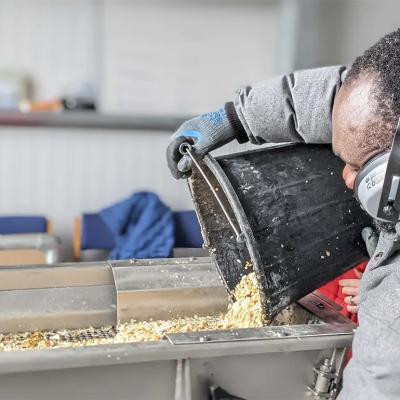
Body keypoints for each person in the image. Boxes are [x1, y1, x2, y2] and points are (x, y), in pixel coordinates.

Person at [166, 28, 400, 400]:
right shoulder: (386, 103)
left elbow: (378, 385)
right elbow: (336, 97)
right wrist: (236, 118)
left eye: (359, 166)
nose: (346, 177)